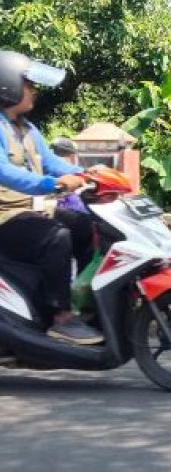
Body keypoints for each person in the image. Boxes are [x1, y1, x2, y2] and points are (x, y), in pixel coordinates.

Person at [0, 50, 103, 345]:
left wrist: (86, 173)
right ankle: (60, 318)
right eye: (29, 86)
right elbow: (5, 173)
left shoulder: (28, 129)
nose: (33, 92)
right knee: (56, 236)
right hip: (5, 217)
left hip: (32, 210)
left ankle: (86, 307)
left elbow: (52, 163)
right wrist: (52, 184)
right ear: (10, 87)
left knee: (88, 228)